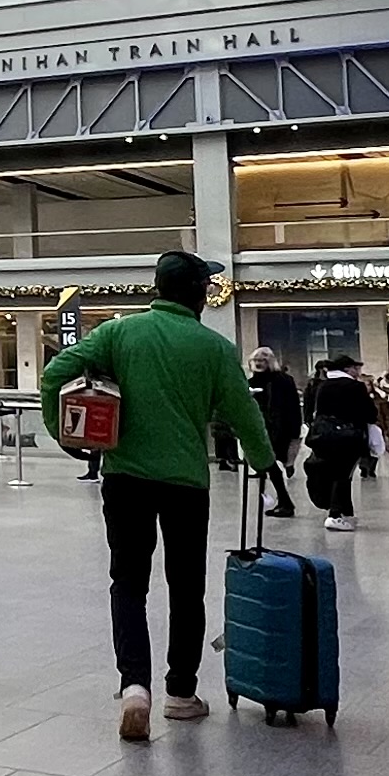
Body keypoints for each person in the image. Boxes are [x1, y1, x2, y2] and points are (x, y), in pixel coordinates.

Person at [42, 253, 271, 741]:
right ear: (197, 293)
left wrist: (63, 435)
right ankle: (181, 694)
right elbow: (243, 412)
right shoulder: (214, 348)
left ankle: (133, 689)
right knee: (186, 587)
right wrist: (266, 460)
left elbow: (54, 373)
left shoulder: (118, 333)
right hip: (186, 483)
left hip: (125, 478)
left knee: (128, 582)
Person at [302, 356, 378, 533]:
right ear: (348, 369)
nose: (357, 372)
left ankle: (347, 512)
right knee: (343, 475)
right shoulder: (355, 387)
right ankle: (335, 514)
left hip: (324, 436)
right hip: (349, 437)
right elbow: (369, 413)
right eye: (355, 368)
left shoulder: (323, 386)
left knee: (334, 472)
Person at [244, 347, 304, 517]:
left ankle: (284, 502)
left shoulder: (284, 380)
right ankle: (283, 501)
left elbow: (292, 407)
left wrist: (295, 430)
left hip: (280, 428)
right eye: (256, 361)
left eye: (262, 360)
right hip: (261, 428)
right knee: (270, 465)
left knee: (272, 464)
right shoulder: (251, 383)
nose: (258, 364)